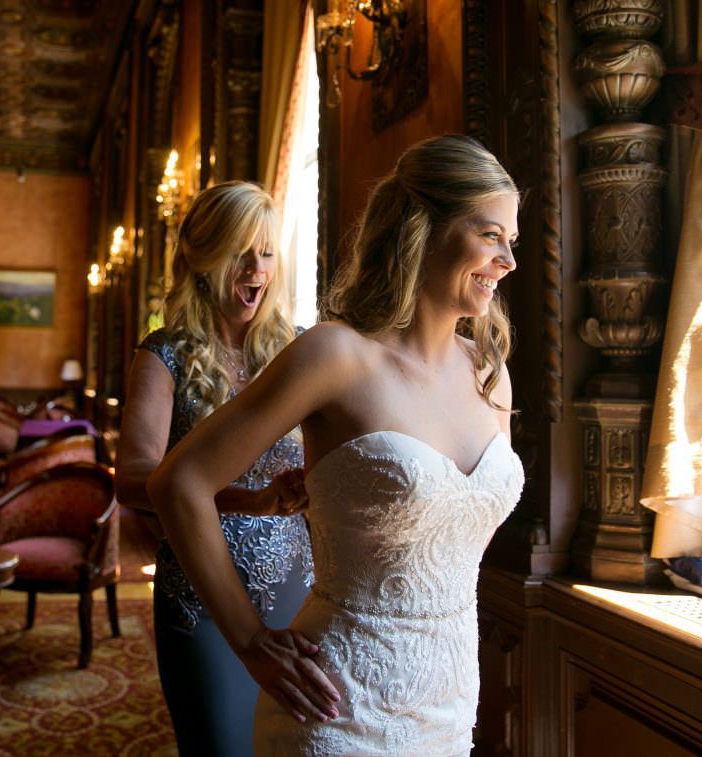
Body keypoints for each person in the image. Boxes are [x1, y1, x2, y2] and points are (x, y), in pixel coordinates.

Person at [148, 135, 526, 755]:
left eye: (510, 239)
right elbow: (177, 482)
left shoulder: (489, 371)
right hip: (336, 705)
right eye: (490, 235)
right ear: (423, 228)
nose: (508, 259)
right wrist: (248, 641)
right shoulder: (336, 355)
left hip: (452, 702)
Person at [115, 180, 314, 756]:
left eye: (267, 251)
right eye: (239, 251)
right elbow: (133, 479)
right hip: (199, 592)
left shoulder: (300, 351)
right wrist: (248, 500)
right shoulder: (164, 354)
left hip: (300, 590)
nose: (257, 267)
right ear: (203, 259)